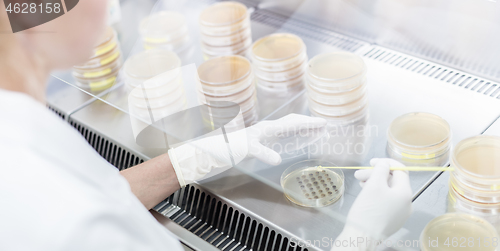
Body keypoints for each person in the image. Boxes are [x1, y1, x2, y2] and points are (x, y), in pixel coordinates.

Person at [0, 1, 412, 250]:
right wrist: (361, 235)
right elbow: (86, 218)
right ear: (38, 12)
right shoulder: (72, 230)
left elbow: (100, 195)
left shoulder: (18, 129)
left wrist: (199, 156)